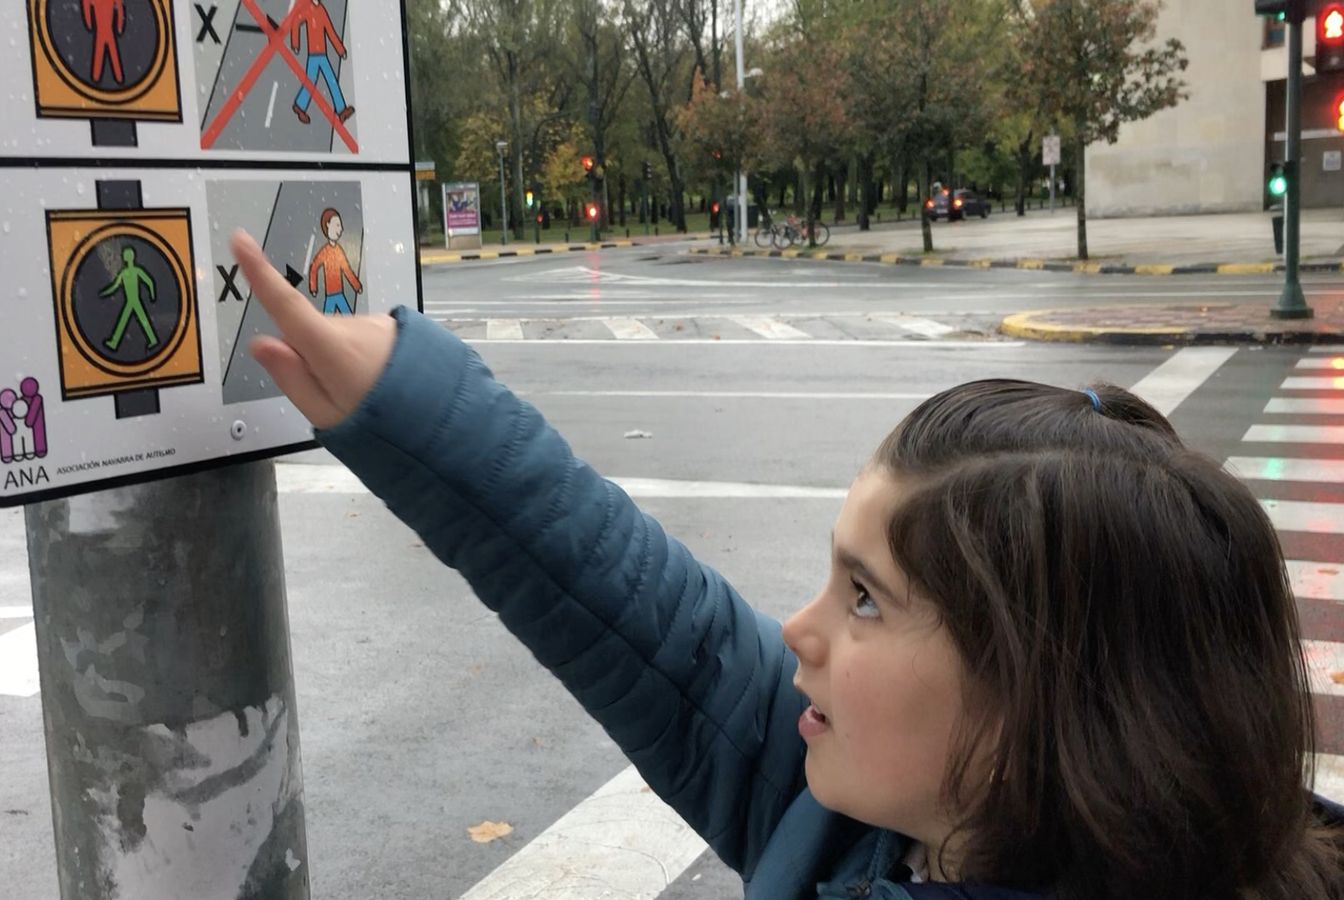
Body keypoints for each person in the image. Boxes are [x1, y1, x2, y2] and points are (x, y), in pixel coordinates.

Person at [228, 231, 1344, 898]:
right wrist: (407, 405)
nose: (799, 631)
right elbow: (654, 625)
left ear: (1046, 701)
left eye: (864, 599)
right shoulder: (875, 824)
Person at [307, 208, 362, 316]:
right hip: (330, 296)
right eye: (337, 225)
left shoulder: (339, 251)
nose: (340, 229)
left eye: (340, 226)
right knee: (325, 326)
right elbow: (314, 267)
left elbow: (347, 270)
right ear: (328, 225)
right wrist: (313, 288)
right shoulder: (324, 252)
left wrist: (357, 286)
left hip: (340, 295)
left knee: (350, 320)